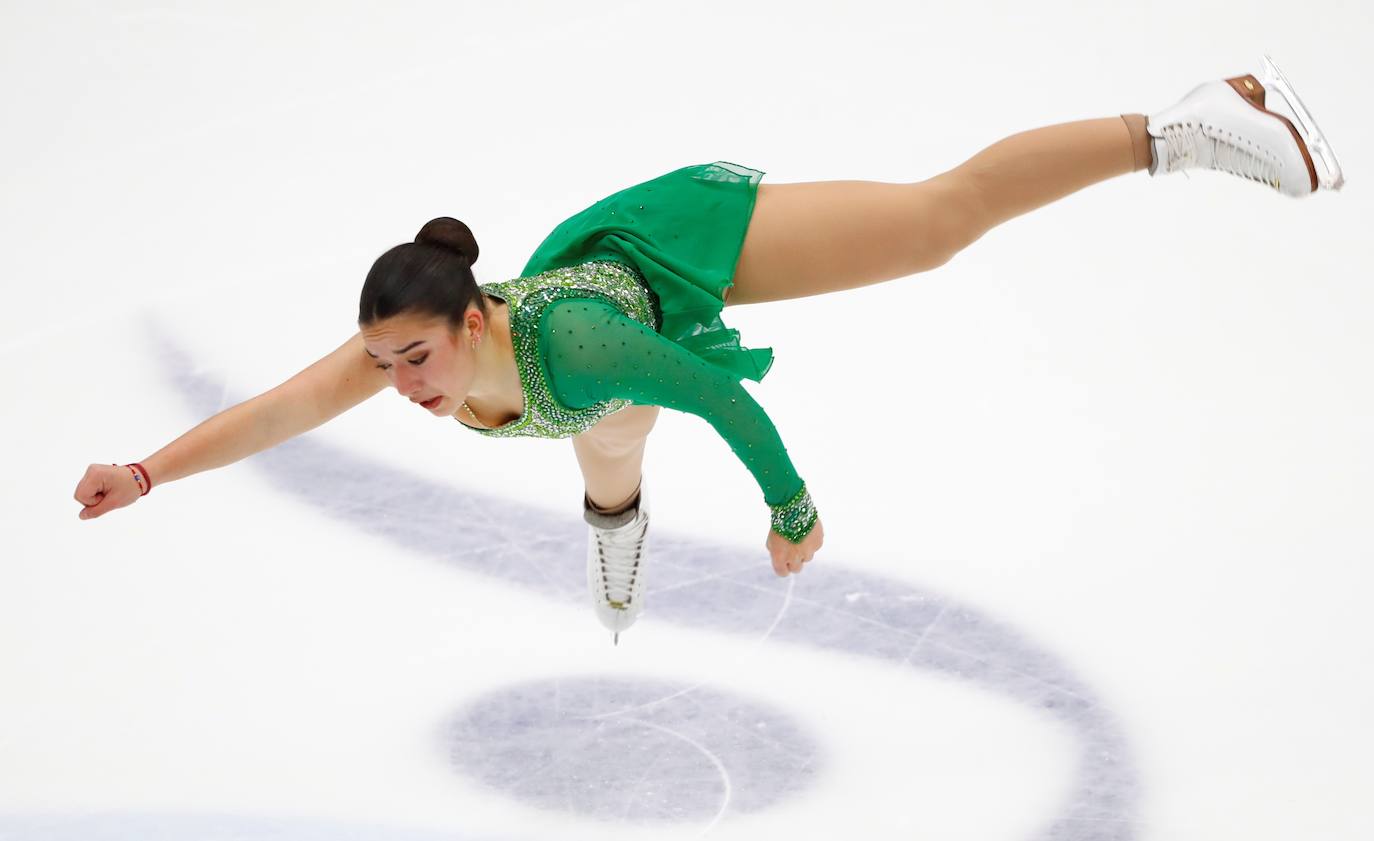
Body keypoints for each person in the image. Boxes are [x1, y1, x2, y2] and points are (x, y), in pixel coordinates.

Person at [73, 56, 1343, 642]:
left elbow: (729, 411)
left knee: (934, 224)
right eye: (387, 363)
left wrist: (791, 509)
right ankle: (614, 534)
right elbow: (273, 414)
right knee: (607, 444)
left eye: (414, 358)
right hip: (599, 362)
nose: (397, 386)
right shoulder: (416, 351)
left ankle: (1188, 124)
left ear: (469, 321)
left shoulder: (569, 334)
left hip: (677, 261)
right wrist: (145, 471)